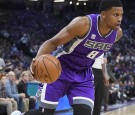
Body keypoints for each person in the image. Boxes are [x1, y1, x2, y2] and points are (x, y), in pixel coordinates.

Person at [18, 0, 123, 115]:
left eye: (121, 15)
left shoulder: (117, 34)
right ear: (103, 14)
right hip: (59, 70)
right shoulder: (83, 24)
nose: (119, 19)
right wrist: (35, 64)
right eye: (115, 15)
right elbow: (53, 42)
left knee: (84, 112)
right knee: (45, 113)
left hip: (83, 74)